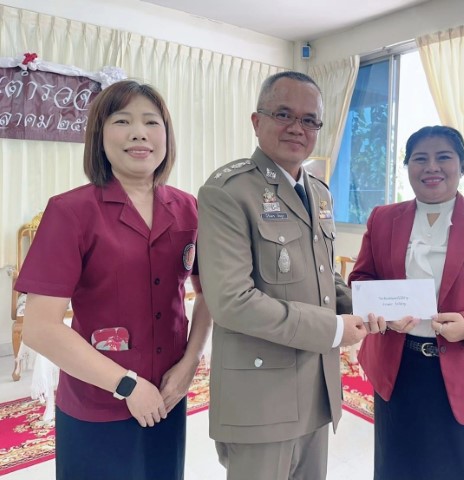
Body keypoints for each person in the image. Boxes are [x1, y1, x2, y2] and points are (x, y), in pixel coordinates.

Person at [17, 80, 213, 480]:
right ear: (100, 135)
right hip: (97, 405)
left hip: (167, 397)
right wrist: (126, 385)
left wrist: (190, 363)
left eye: (151, 122)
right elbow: (39, 328)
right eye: (122, 121)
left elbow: (209, 293)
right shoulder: (70, 211)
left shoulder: (189, 208)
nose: (139, 133)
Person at [197, 71, 367, 480]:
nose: (297, 128)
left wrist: (368, 306)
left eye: (309, 120)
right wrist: (334, 328)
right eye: (284, 114)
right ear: (257, 122)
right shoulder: (228, 191)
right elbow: (232, 302)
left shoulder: (319, 192)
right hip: (262, 395)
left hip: (317, 385)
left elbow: (324, 275)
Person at [349, 125, 464, 480]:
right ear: (407, 166)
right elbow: (362, 278)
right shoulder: (383, 218)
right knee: (399, 466)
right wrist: (386, 314)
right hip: (399, 367)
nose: (431, 167)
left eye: (443, 157)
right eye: (420, 158)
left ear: (461, 165)